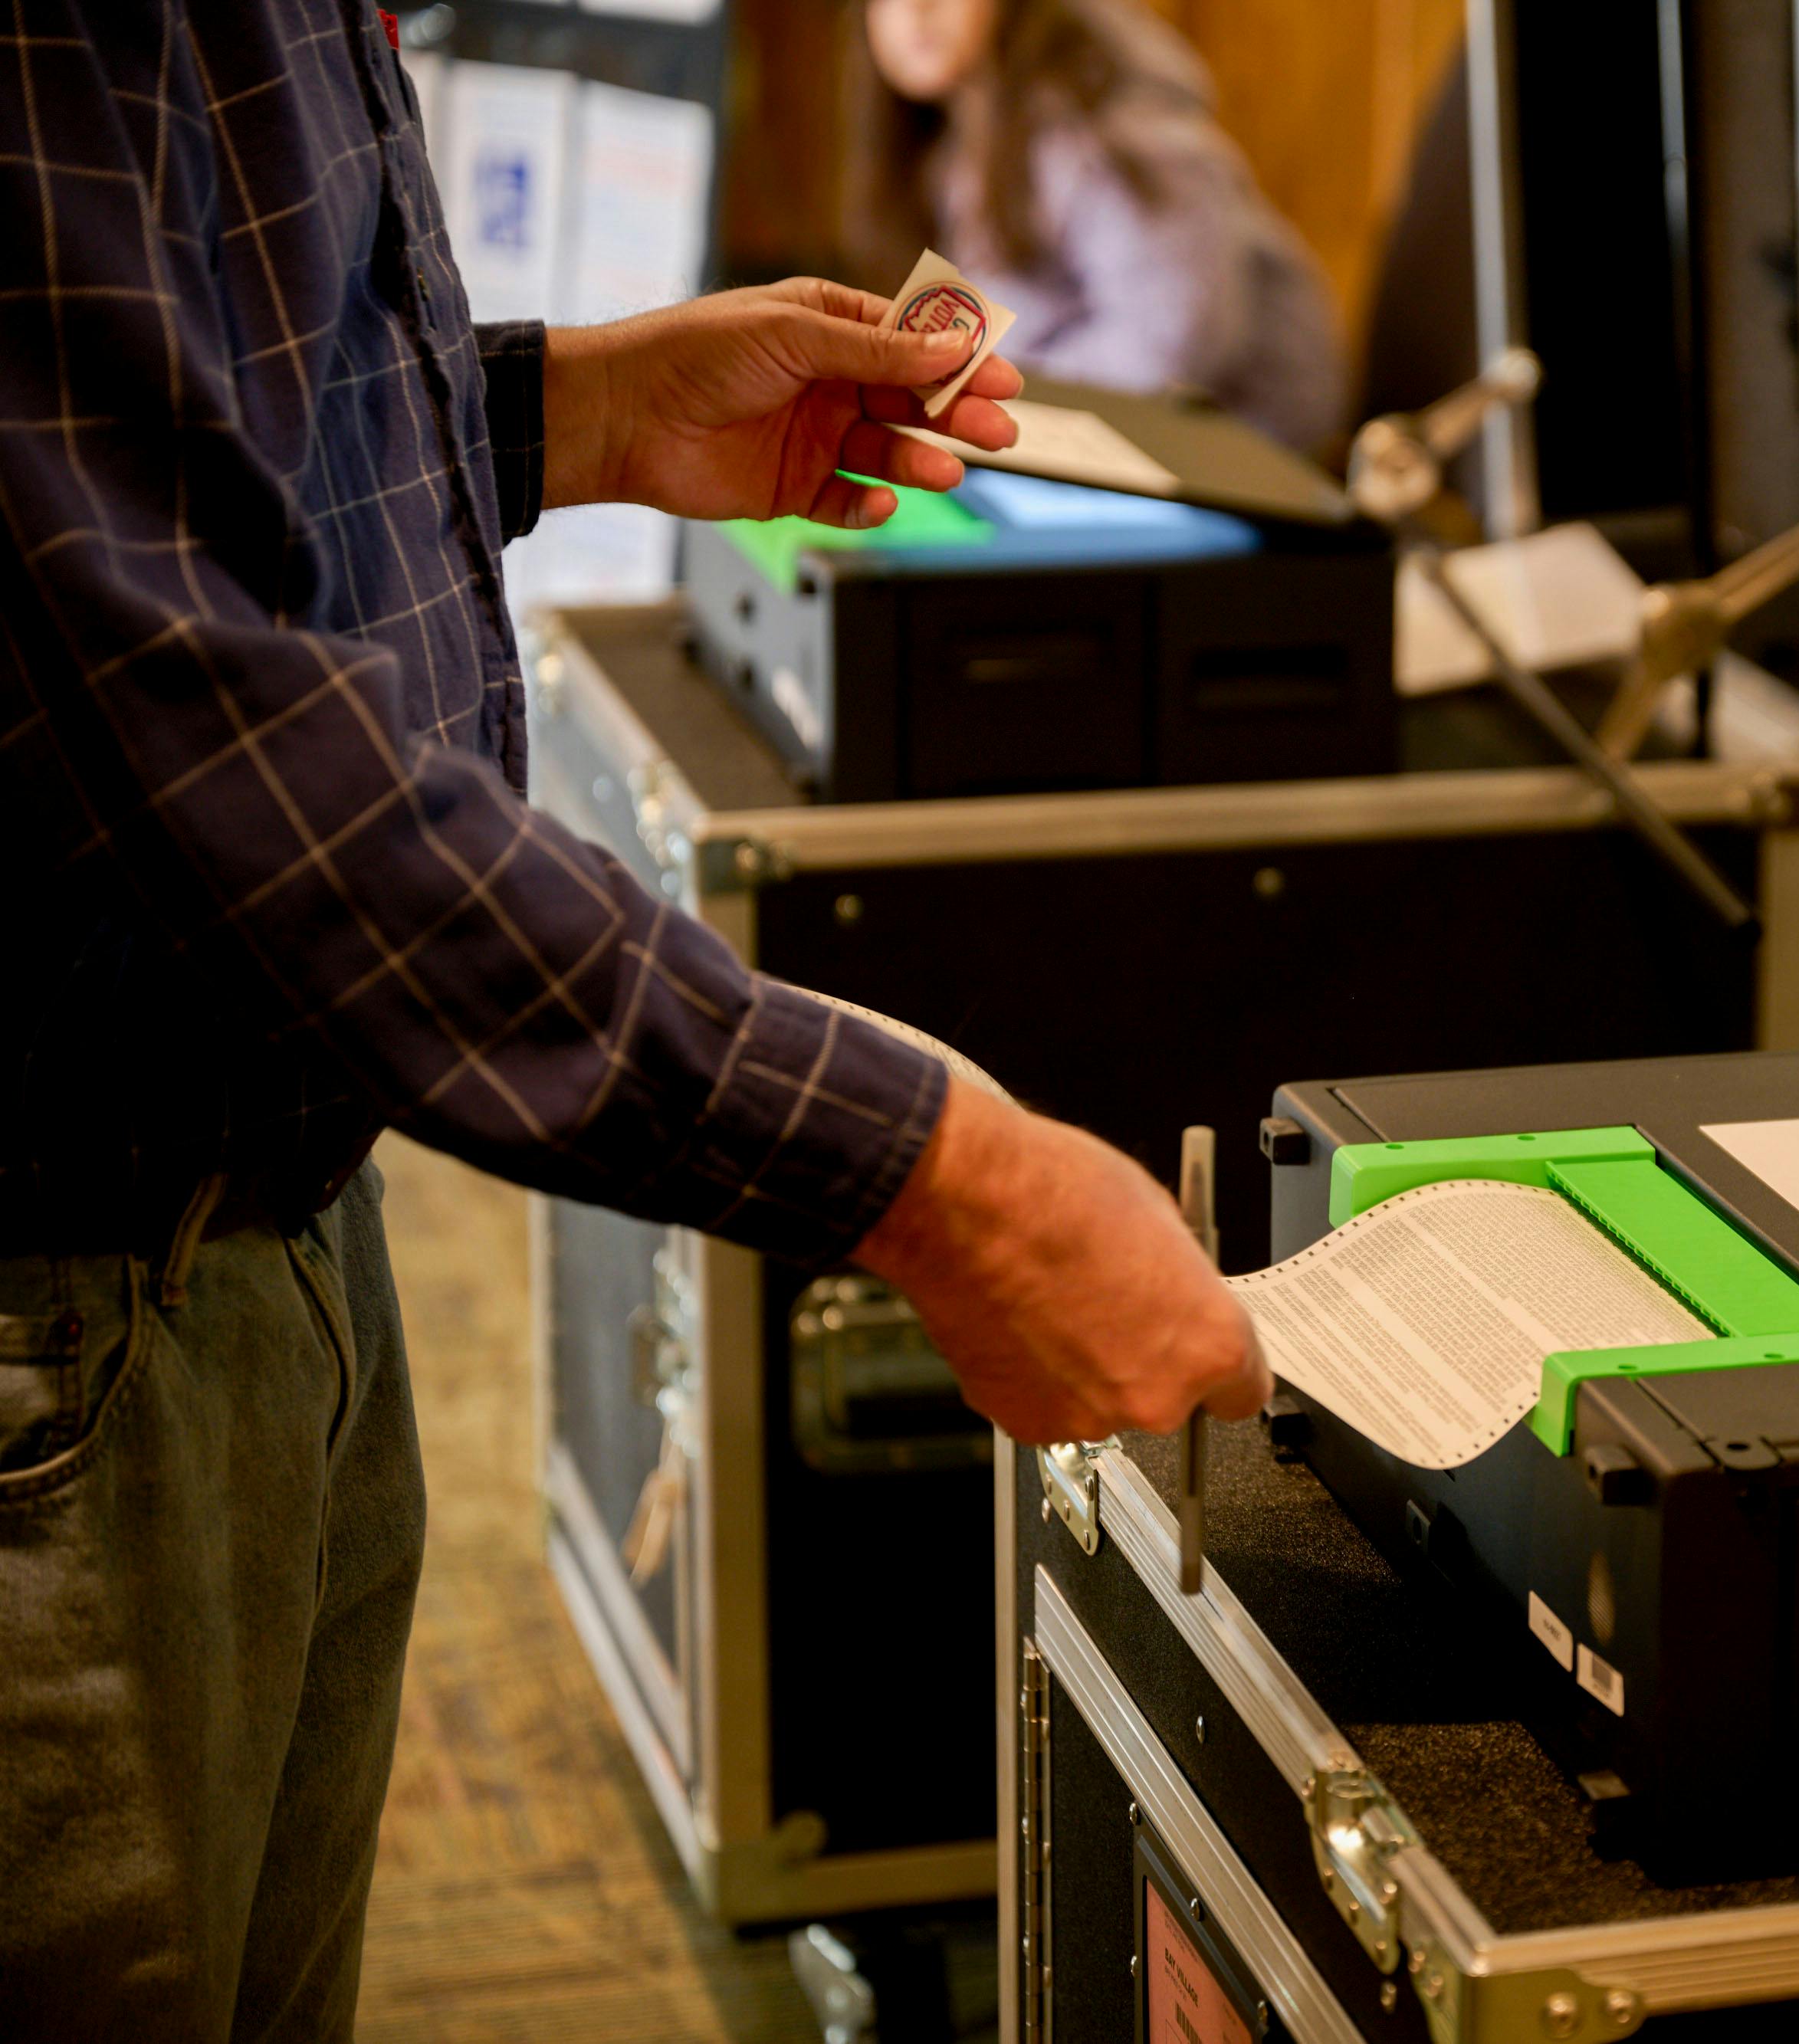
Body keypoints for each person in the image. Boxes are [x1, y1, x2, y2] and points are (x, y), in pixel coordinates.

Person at [0, 8, 1267, 2038]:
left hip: (280, 1241)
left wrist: (565, 414)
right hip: (55, 1336)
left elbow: (180, 405)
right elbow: (160, 681)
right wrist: (944, 1178)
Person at [852, 0, 1347, 454]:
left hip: (1238, 447)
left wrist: (1001, 392)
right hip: (1115, 440)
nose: (915, 11)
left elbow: (1176, 336)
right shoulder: (957, 143)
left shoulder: (1101, 118)